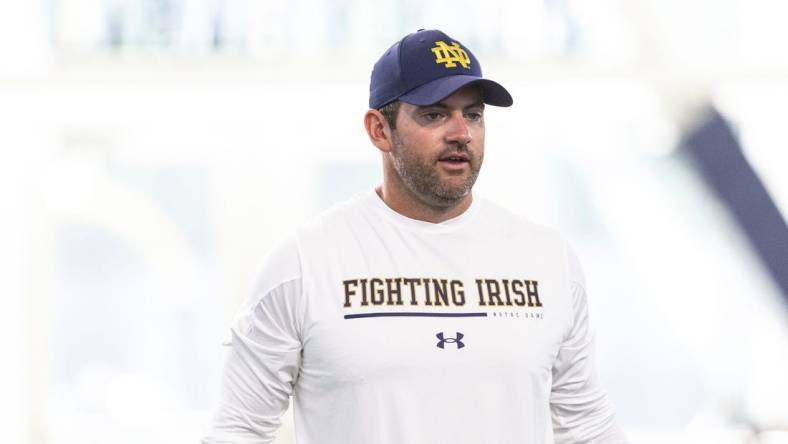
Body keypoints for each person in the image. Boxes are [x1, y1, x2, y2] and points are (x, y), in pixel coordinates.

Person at [202, 29, 627, 444]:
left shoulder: (547, 260)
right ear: (379, 130)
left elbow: (587, 425)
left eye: (473, 114)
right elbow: (238, 429)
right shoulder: (304, 264)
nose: (461, 132)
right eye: (434, 114)